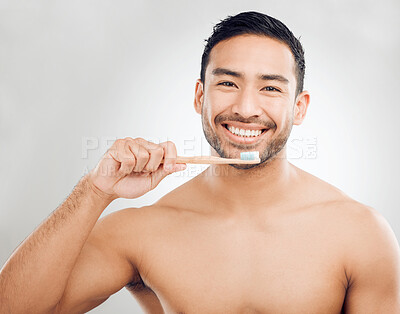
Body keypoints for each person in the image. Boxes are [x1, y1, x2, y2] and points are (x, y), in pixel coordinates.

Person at [1, 11, 399, 314]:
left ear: (300, 107)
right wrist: (94, 191)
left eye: (270, 88)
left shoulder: (360, 233)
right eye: (227, 83)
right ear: (199, 97)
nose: (246, 108)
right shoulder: (141, 231)